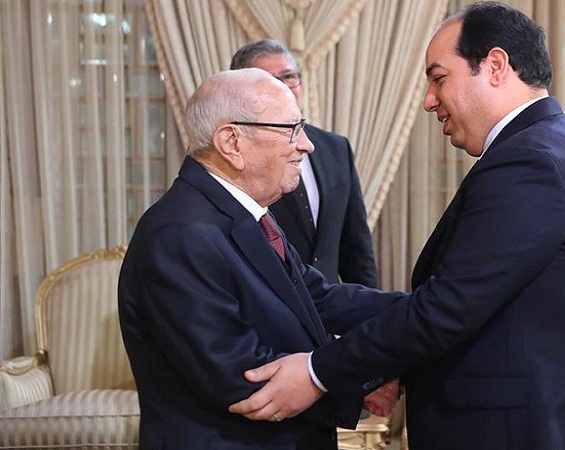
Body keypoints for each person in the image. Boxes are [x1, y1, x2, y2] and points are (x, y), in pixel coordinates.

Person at [229, 2, 565, 450]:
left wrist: (317, 372)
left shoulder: (532, 163)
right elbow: (461, 302)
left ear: (495, 66)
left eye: (439, 79)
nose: (429, 100)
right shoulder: (543, 147)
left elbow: (446, 309)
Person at [118, 68, 403, 450]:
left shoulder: (241, 213)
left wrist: (424, 310)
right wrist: (361, 377)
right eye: (291, 129)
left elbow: (317, 298)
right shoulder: (180, 234)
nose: (307, 145)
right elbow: (242, 376)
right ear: (232, 142)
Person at [230, 39, 378, 287]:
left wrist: (371, 307)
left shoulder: (336, 147)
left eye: (289, 76)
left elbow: (356, 245)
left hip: (330, 303)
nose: (284, 87)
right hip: (268, 302)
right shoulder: (236, 152)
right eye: (270, 81)